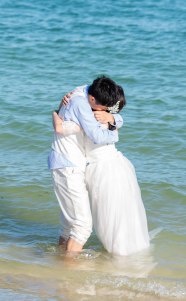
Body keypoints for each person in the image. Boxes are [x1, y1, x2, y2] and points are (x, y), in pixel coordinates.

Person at [53, 84, 151, 256]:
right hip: (91, 167)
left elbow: (116, 120)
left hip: (103, 167)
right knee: (102, 217)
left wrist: (112, 120)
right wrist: (57, 110)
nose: (105, 109)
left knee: (110, 214)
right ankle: (67, 264)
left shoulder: (97, 112)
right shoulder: (84, 110)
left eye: (108, 108)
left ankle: (66, 259)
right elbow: (63, 128)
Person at [48, 76, 123, 253]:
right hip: (68, 164)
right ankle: (70, 271)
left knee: (68, 222)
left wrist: (111, 116)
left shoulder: (82, 90)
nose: (102, 110)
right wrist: (115, 135)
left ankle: (58, 264)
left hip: (67, 162)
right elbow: (96, 136)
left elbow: (114, 114)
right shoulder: (81, 104)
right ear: (92, 99)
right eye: (102, 107)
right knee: (82, 226)